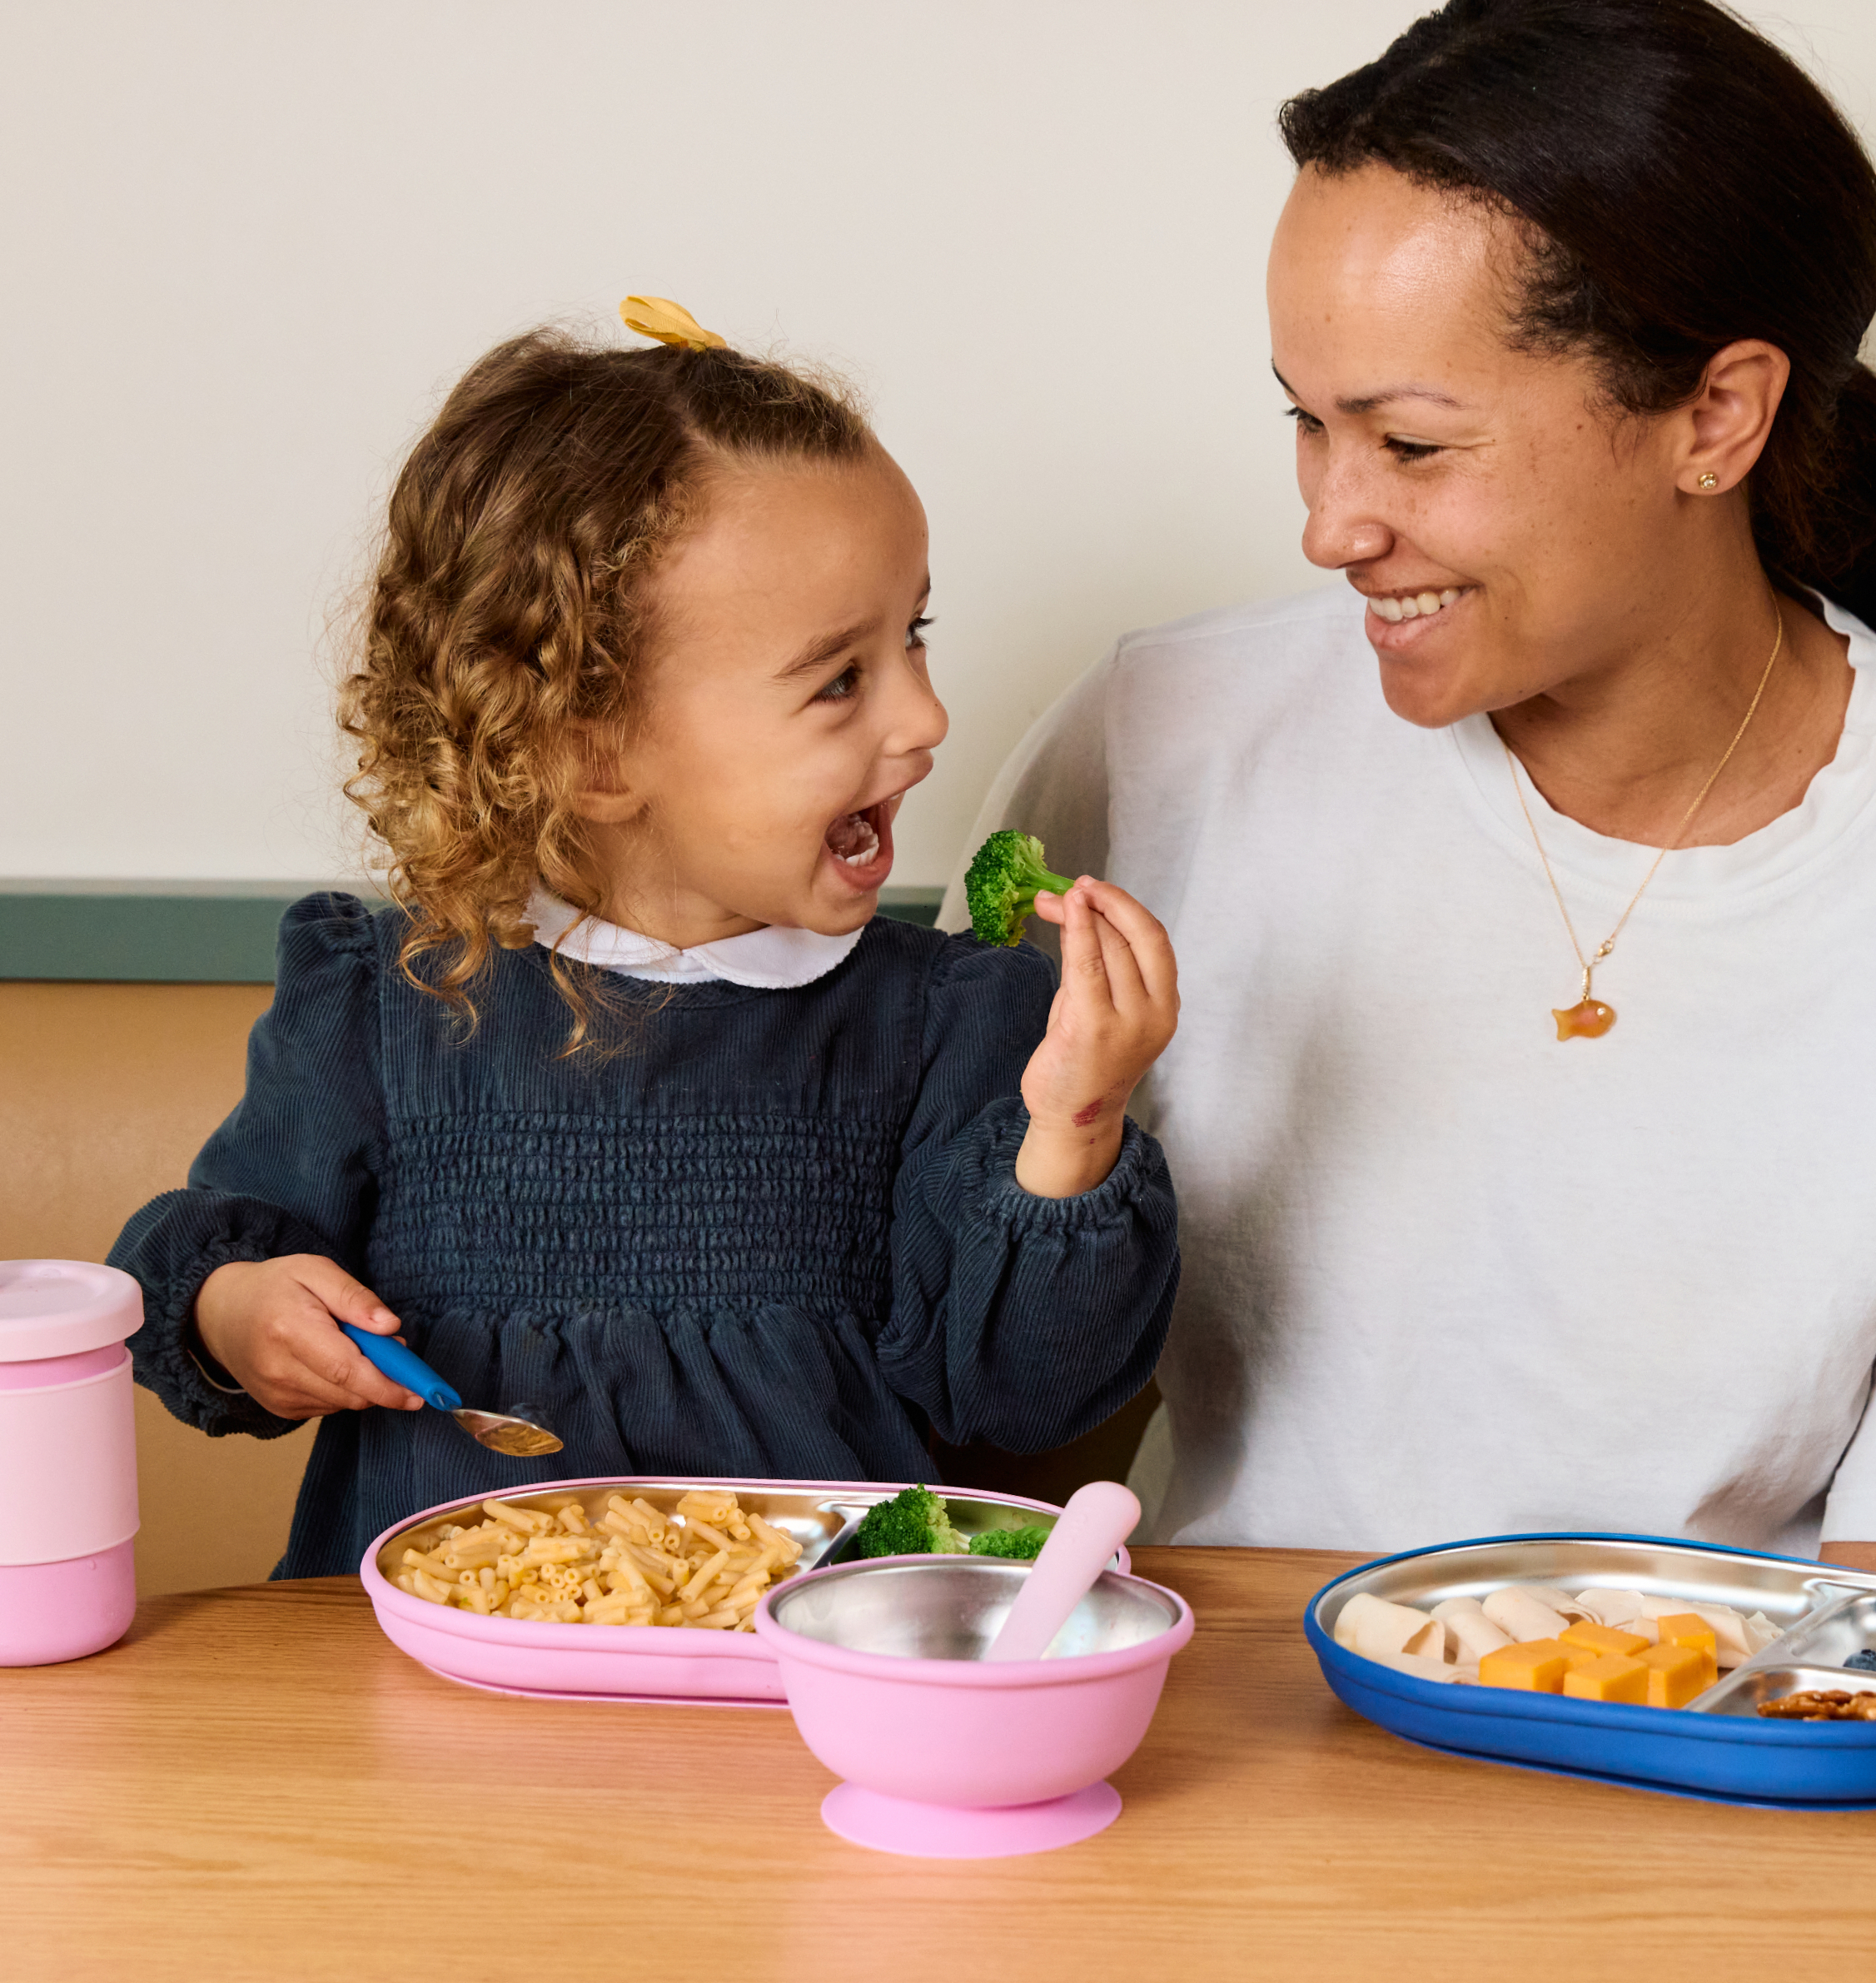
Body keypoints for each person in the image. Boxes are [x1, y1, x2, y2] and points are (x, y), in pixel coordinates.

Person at [945, 0, 1876, 1585]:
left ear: (1716, 416)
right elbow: (982, 1426)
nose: (1331, 524)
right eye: (1307, 423)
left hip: (1716, 1769)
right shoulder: (1158, 738)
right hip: (1209, 1755)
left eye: (1414, 445)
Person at [112, 298, 1180, 1579]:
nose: (928, 717)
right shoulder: (383, 1000)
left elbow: (1018, 1397)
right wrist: (242, 1312)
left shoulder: (952, 1024)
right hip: (424, 1696)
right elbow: (207, 1252)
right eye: (841, 678)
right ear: (592, 750)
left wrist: (1076, 1127)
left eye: (917, 637)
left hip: (800, 1689)